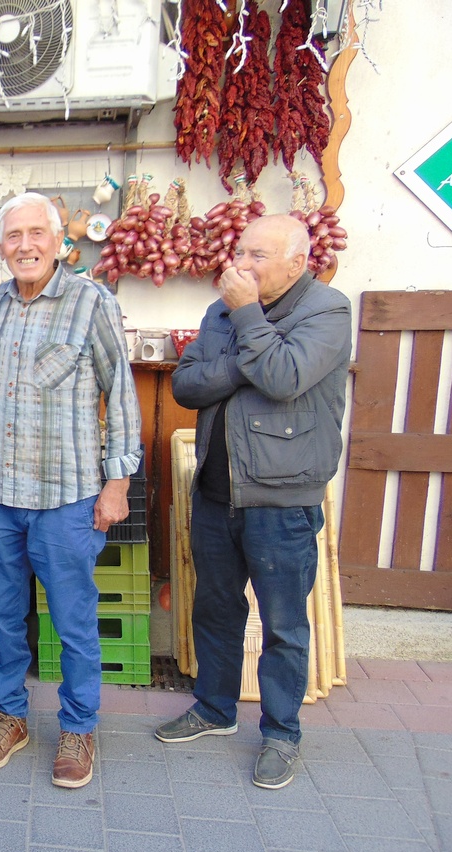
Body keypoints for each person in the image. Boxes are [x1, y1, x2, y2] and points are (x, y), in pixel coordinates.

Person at [155, 214, 352, 790]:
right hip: (217, 493)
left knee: (285, 623)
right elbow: (186, 386)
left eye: (258, 255)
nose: (242, 264)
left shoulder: (327, 310)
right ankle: (214, 709)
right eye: (241, 251)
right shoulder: (220, 311)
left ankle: (282, 733)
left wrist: (245, 323)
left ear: (297, 263)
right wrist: (247, 356)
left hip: (282, 497)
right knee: (216, 609)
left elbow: (286, 377)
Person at [0, 192, 142, 789]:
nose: (24, 246)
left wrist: (116, 484)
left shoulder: (92, 301)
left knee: (74, 621)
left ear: (58, 238)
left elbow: (120, 395)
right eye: (11, 236)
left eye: (34, 234)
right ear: (0, 243)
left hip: (67, 497)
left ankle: (78, 725)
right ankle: (9, 718)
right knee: (3, 618)